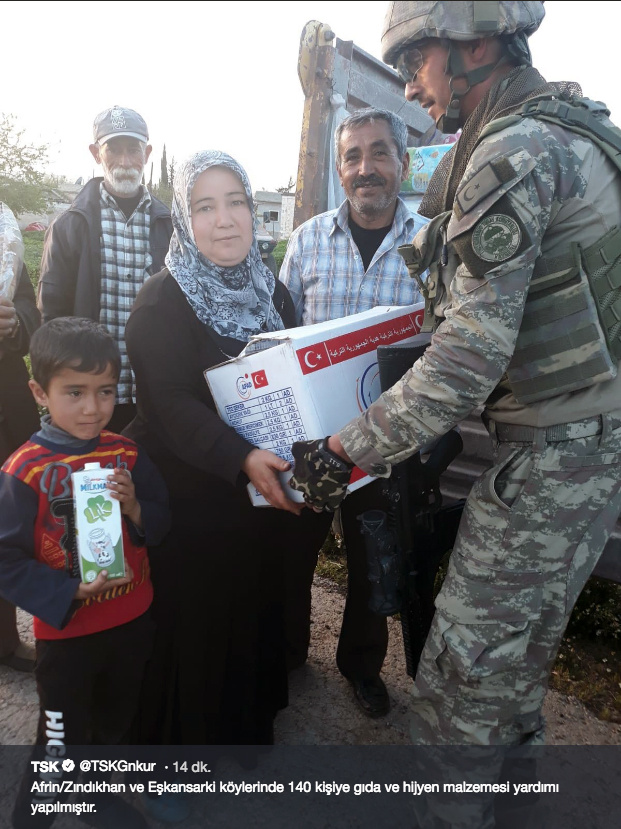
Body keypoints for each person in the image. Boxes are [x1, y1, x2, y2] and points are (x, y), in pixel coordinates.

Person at [289, 0, 621, 823]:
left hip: (551, 456)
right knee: (506, 685)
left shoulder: (512, 150)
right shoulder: (576, 128)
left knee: (455, 693)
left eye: (417, 61)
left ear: (472, 45)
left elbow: (465, 360)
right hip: (579, 448)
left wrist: (344, 450)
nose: (410, 84)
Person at [124, 150, 332, 751]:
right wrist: (240, 456)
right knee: (194, 622)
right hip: (186, 492)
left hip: (257, 493)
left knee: (249, 605)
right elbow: (170, 404)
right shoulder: (160, 302)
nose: (225, 220)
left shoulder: (274, 293)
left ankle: (241, 728)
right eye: (205, 206)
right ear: (185, 223)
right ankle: (172, 757)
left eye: (236, 201)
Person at [279, 107, 426, 718]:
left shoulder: (430, 245)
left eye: (379, 153)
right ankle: (285, 653)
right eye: (352, 156)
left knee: (373, 567)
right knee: (289, 553)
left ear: (403, 162)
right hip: (314, 443)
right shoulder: (307, 239)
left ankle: (361, 666)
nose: (366, 169)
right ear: (340, 168)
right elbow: (279, 329)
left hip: (386, 446)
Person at [0, 317, 170, 828]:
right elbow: (5, 559)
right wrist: (69, 589)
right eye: (74, 392)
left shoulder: (126, 453)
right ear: (39, 391)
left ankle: (89, 795)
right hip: (68, 634)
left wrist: (137, 509)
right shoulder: (24, 471)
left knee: (111, 725)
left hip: (131, 621)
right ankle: (38, 814)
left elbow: (163, 516)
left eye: (105, 391)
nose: (93, 408)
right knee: (59, 739)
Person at [38, 106, 173, 432]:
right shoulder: (71, 226)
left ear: (148, 153)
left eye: (134, 150)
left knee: (147, 481)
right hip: (92, 402)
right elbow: (52, 317)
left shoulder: (168, 226)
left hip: (155, 399)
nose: (125, 162)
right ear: (96, 153)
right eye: (113, 149)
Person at [0, 226, 41, 672]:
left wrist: (16, 324)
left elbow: (30, 305)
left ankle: (4, 640)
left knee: (10, 522)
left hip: (6, 405)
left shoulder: (2, 227)